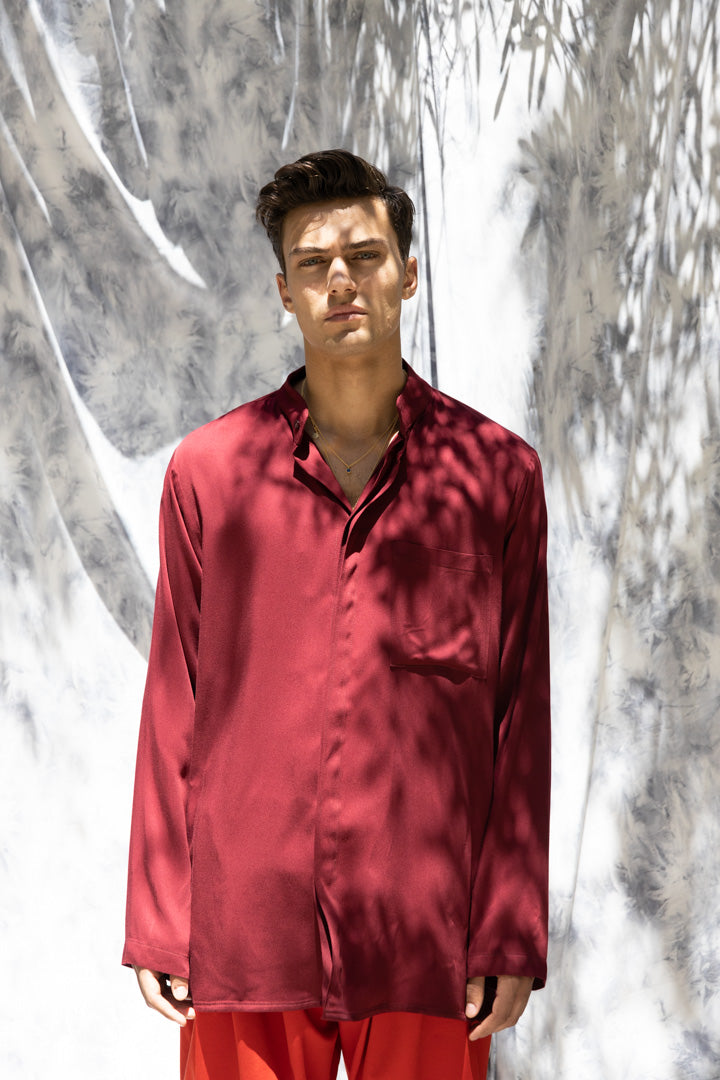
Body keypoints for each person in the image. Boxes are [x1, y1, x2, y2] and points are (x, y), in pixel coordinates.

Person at [123, 149, 551, 1080]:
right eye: (314, 264)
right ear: (285, 291)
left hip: (426, 924)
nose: (341, 281)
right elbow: (171, 701)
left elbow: (519, 716)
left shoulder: (496, 476)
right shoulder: (209, 473)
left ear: (408, 271)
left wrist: (510, 923)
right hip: (245, 927)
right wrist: (159, 916)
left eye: (364, 255)